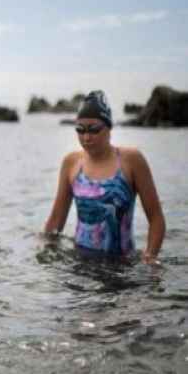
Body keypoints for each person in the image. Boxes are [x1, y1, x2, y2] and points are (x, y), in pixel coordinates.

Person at [44, 90, 166, 262]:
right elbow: (56, 221)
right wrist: (42, 252)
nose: (86, 137)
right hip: (79, 264)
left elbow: (156, 218)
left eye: (94, 130)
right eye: (80, 130)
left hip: (122, 265)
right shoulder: (71, 163)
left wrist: (150, 257)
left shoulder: (131, 161)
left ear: (109, 127)